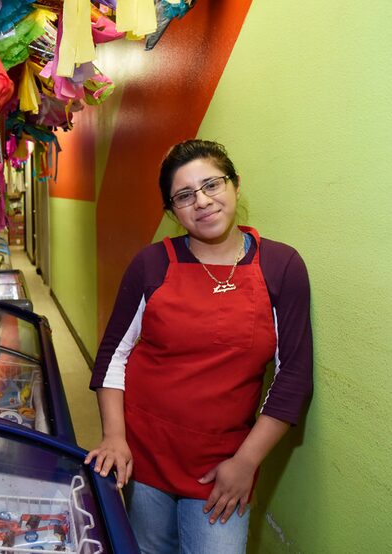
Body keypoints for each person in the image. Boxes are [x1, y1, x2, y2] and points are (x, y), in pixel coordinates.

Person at [85, 140, 312, 553]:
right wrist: (115, 436)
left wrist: (246, 464)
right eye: (185, 195)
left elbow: (293, 376)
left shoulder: (281, 267)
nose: (202, 202)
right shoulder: (151, 264)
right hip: (146, 453)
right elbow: (114, 354)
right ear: (173, 212)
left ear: (236, 185)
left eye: (212, 185)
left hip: (223, 466)